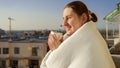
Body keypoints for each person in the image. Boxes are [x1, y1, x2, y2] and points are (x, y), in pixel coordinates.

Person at [40, 1, 116, 68]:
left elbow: (50, 65)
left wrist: (55, 51)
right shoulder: (93, 35)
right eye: (63, 19)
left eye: (68, 18)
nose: (64, 23)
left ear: (83, 18)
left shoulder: (84, 40)